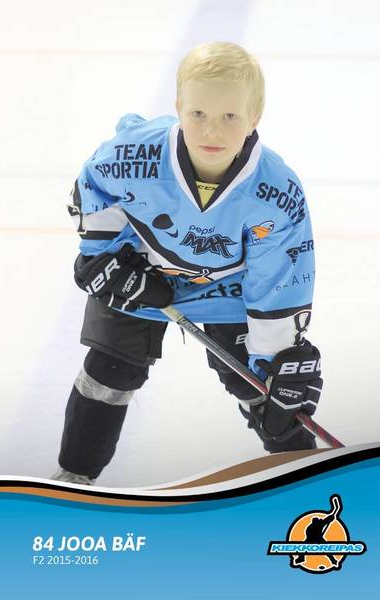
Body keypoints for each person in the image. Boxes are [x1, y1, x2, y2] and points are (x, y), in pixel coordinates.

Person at [52, 41, 323, 485]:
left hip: (228, 285)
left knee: (264, 389)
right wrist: (101, 255)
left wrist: (277, 357)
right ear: (178, 106)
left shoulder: (276, 193)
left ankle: (307, 481)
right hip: (142, 268)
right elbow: (95, 185)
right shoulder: (134, 154)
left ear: (255, 116)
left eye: (229, 116)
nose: (211, 130)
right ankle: (72, 482)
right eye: (198, 113)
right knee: (110, 369)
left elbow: (280, 278)